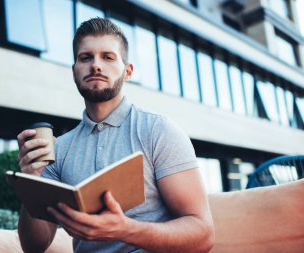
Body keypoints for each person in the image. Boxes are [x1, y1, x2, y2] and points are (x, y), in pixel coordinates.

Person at [17, 17, 214, 253]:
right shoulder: (58, 149)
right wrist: (31, 185)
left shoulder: (158, 131)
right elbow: (34, 246)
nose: (96, 66)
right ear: (74, 71)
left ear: (127, 71)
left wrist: (124, 229)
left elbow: (203, 234)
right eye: (85, 57)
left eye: (108, 57)